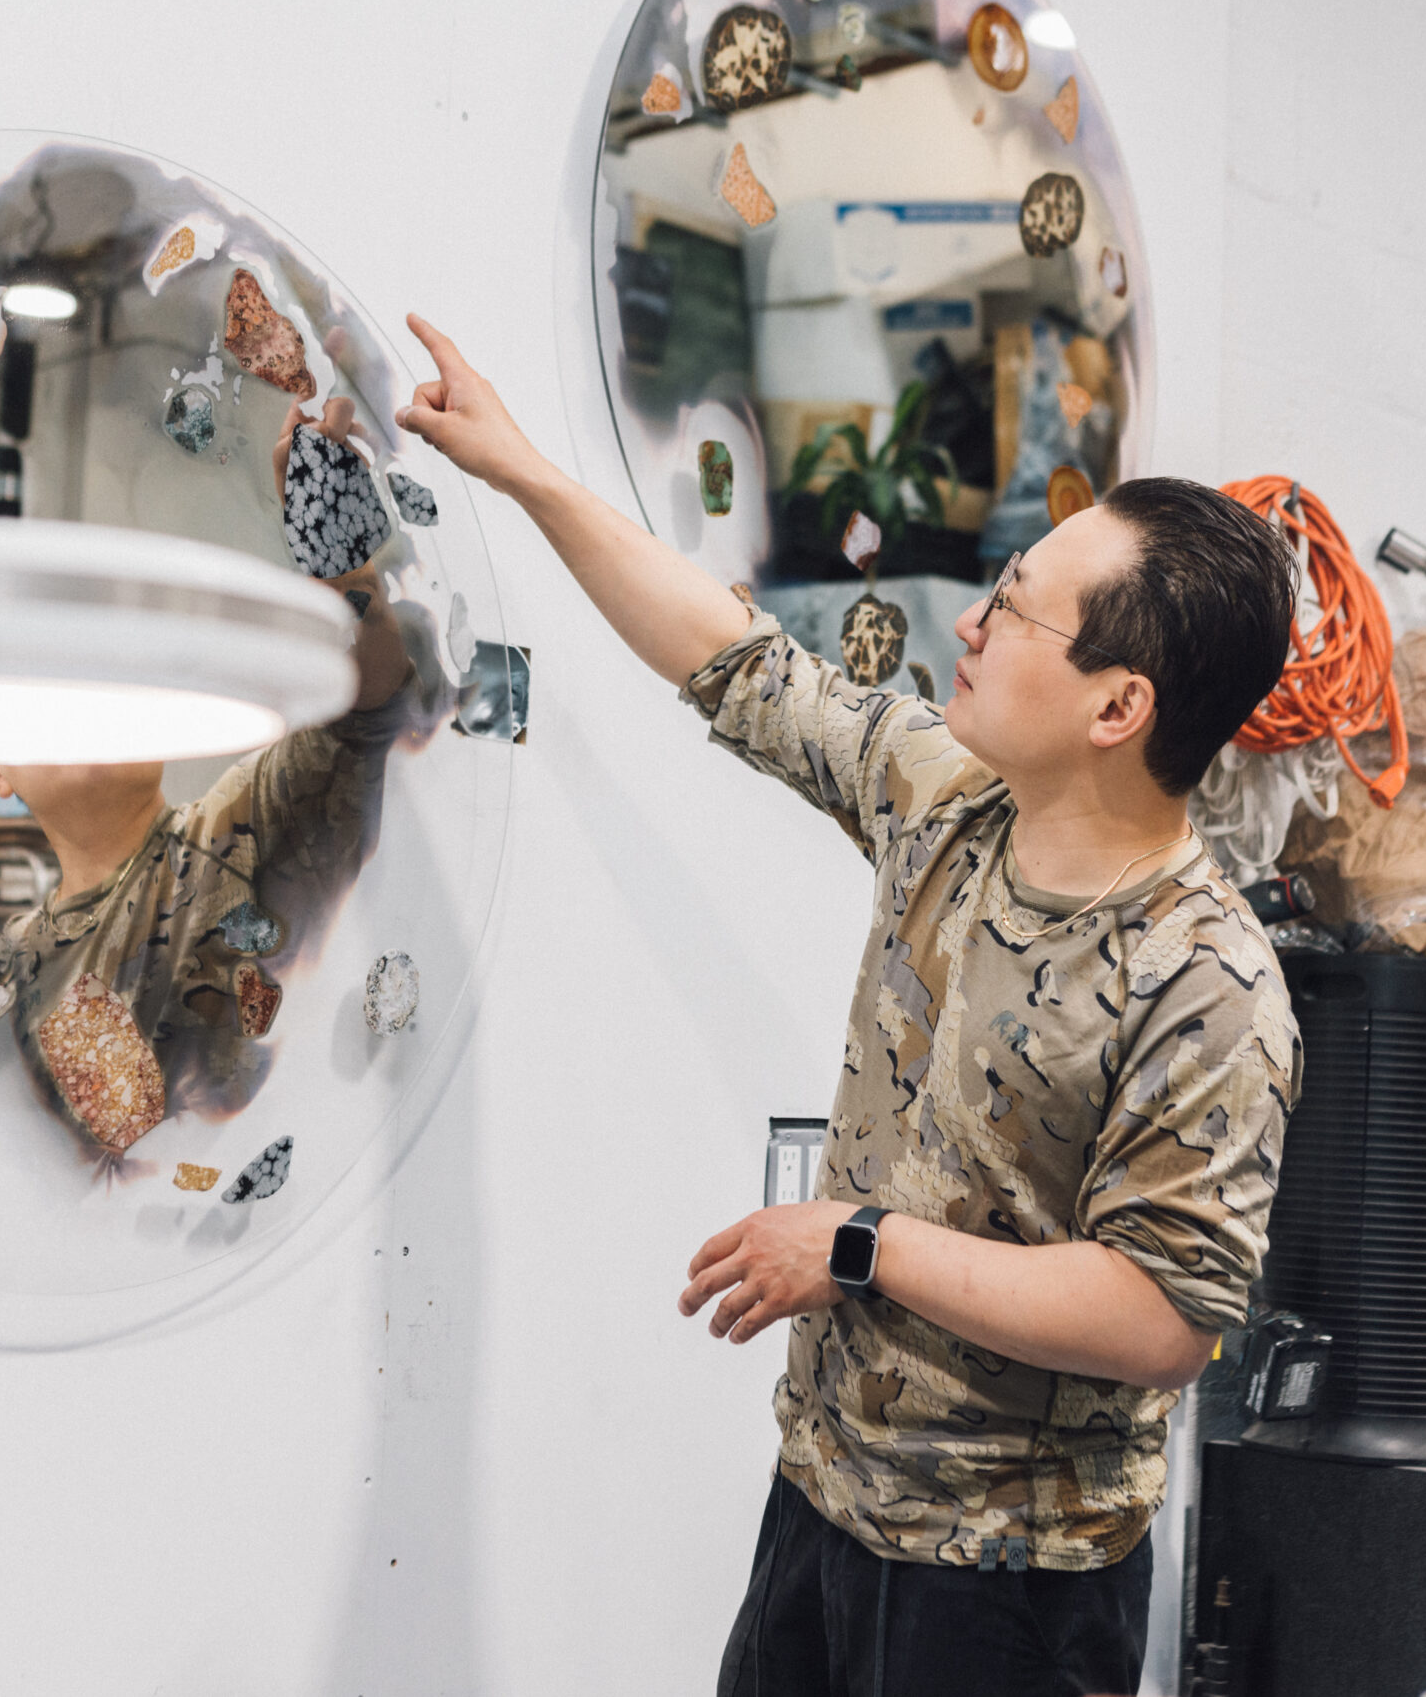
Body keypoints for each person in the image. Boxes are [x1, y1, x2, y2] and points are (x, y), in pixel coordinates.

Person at [393, 316, 1303, 1695]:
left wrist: (862, 1247)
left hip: (1012, 1585)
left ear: (1120, 706)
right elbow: (738, 662)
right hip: (824, 1506)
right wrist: (524, 471)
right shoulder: (947, 800)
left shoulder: (1210, 982)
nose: (977, 625)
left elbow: (1161, 1314)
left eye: (1019, 609)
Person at [0, 552, 420, 1151]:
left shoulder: (237, 825)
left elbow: (368, 702)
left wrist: (335, 549)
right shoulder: (8, 968)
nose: (86, 701)